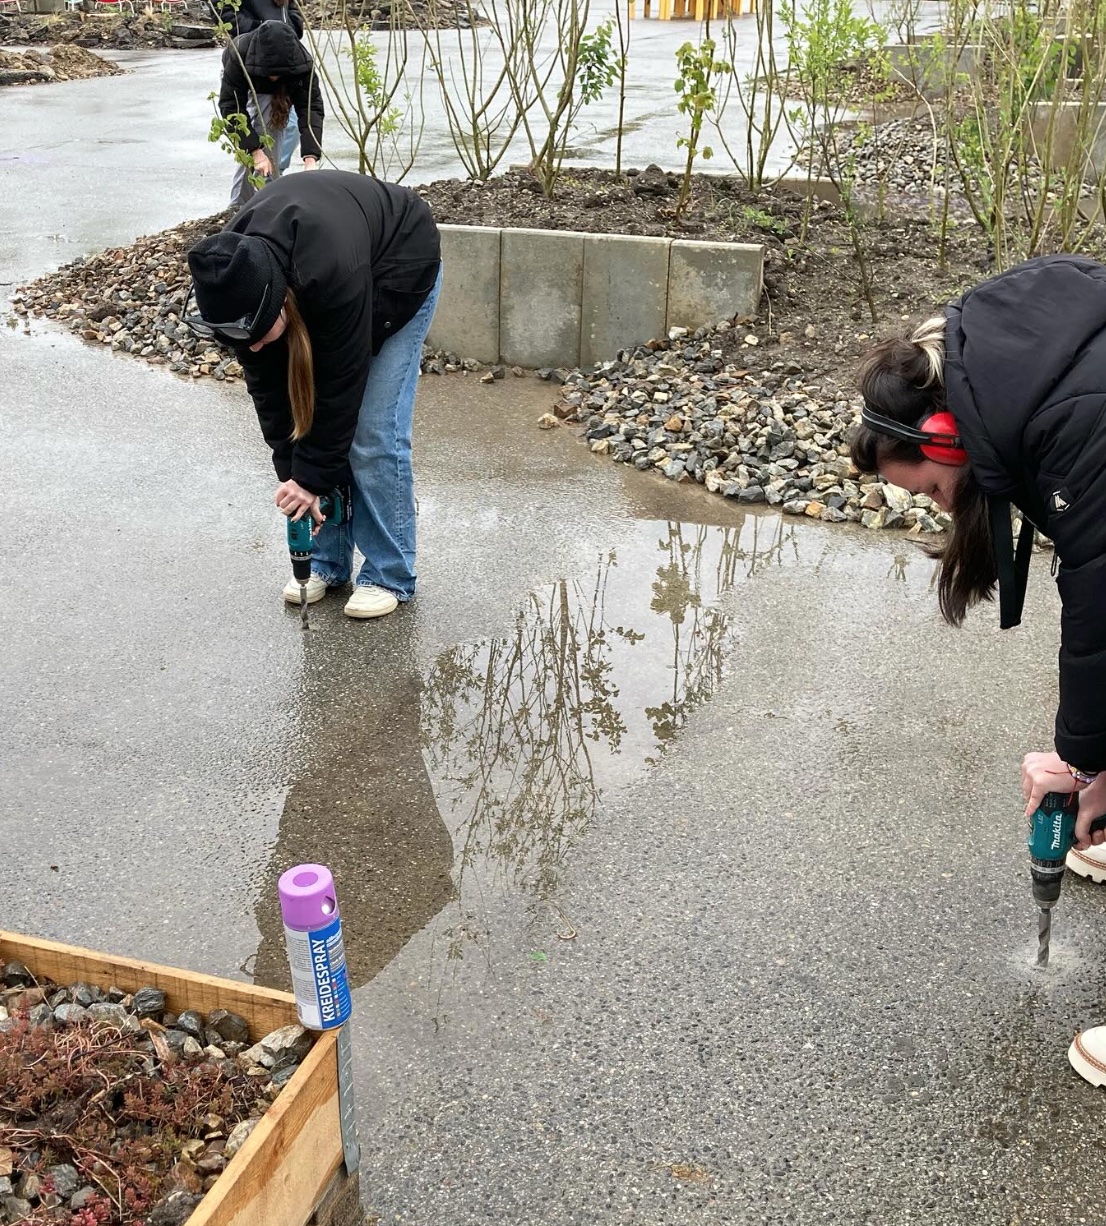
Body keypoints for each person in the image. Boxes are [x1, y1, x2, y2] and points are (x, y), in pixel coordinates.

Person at [852, 253, 1106, 1086]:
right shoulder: (1013, 377)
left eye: (927, 489)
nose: (936, 507)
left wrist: (1076, 758)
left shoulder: (1072, 420)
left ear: (945, 436)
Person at [184, 169, 442, 619]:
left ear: (283, 301)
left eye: (263, 337)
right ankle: (327, 562)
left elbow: (342, 388)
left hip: (397, 262)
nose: (257, 349)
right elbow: (270, 395)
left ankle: (389, 572)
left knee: (371, 430)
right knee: (310, 441)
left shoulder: (331, 271)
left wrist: (310, 477)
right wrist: (294, 474)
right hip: (331, 259)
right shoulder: (234, 277)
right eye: (247, 342)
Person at [218, 20, 324, 210]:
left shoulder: (301, 63)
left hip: (285, 84)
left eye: (277, 74)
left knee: (274, 130)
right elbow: (231, 107)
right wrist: (255, 151)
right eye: (271, 73)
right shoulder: (239, 54)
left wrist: (311, 159)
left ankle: (269, 200)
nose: (273, 78)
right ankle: (239, 207)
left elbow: (311, 108)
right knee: (258, 134)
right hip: (249, 77)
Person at [214, 0, 306, 173]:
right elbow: (223, 11)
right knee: (260, 134)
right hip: (253, 59)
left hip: (283, 57)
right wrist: (261, 30)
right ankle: (249, 194)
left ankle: (273, 174)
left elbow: (291, 7)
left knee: (290, 128)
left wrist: (290, 30)